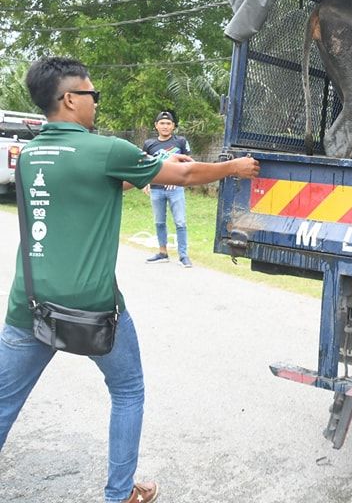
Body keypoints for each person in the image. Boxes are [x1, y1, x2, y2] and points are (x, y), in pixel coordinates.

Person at [0, 57, 260, 503]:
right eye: (91, 95)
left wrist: (149, 162)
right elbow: (184, 175)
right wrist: (234, 167)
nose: (95, 103)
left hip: (30, 304)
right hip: (94, 307)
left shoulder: (29, 155)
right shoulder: (108, 150)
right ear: (69, 99)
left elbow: (93, 183)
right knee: (127, 391)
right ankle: (119, 495)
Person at [142, 110, 192, 267]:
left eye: (168, 123)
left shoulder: (181, 142)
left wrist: (176, 178)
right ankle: (162, 252)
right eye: (162, 123)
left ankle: (183, 256)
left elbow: (189, 162)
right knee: (159, 221)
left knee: (180, 222)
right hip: (156, 189)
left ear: (174, 126)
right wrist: (145, 182)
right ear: (156, 126)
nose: (165, 126)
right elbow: (144, 164)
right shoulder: (149, 144)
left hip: (175, 189)